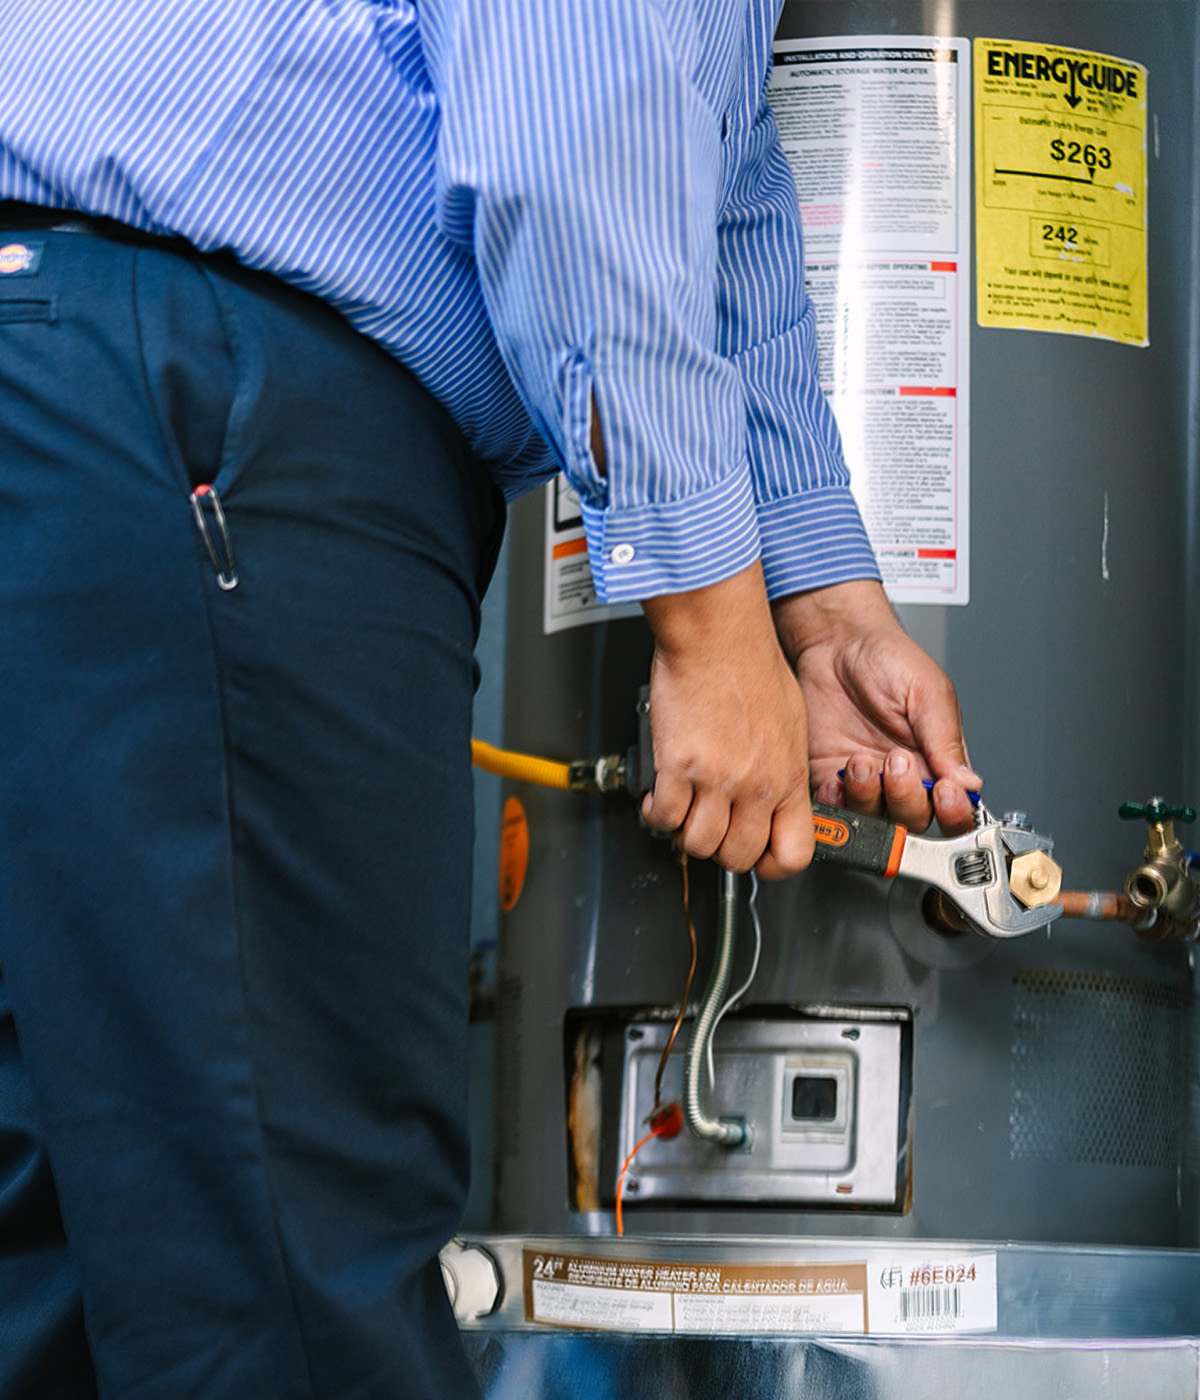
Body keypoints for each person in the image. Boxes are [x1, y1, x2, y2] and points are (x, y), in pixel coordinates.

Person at [0, 1, 979, 1395]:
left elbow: (721, 174)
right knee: (293, 1278)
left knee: (63, 1257)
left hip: (72, 376)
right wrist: (708, 625)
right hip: (205, 408)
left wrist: (821, 607)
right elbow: (580, 105)